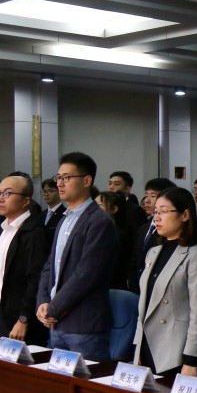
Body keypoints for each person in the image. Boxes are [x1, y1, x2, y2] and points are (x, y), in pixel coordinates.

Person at [36, 152, 119, 361]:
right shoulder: (64, 220)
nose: (60, 183)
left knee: (88, 379)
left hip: (84, 324)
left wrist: (54, 308)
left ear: (86, 180)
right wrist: (42, 302)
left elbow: (86, 275)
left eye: (66, 178)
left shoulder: (99, 222)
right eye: (58, 177)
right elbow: (50, 266)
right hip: (56, 322)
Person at [133, 188, 197, 377]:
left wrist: (191, 360)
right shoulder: (153, 252)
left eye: (163, 211)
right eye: (155, 212)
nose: (157, 217)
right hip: (147, 347)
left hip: (177, 354)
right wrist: (137, 348)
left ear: (185, 215)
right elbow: (144, 305)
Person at [0, 173, 50, 345]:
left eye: (8, 193)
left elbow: (36, 279)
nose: (1, 199)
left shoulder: (35, 232)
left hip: (21, 318)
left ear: (26, 201)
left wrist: (24, 318)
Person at [93, 191, 132, 290]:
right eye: (94, 205)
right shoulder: (93, 231)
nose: (95, 209)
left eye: (100, 205)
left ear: (114, 209)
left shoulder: (119, 235)